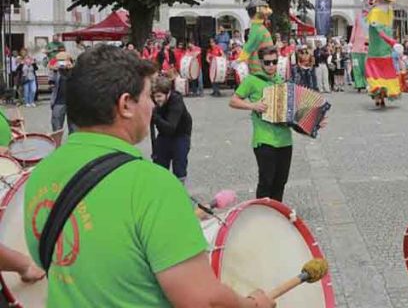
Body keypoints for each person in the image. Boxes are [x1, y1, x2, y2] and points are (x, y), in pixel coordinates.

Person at [24, 45, 274, 307]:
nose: (152, 106)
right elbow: (203, 301)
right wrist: (250, 304)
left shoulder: (41, 173)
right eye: (147, 97)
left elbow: (48, 263)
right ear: (125, 105)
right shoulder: (151, 185)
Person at [229, 46, 294, 201]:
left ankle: (276, 215)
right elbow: (233, 101)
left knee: (280, 182)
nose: (271, 66)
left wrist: (314, 121)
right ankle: (262, 216)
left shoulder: (281, 81)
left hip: (285, 140)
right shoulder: (252, 80)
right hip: (264, 139)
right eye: (267, 62)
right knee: (266, 182)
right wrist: (253, 105)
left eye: (274, 62)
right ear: (260, 63)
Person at [152, 77, 193, 184]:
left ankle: (179, 192)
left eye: (159, 96)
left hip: (180, 134)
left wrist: (154, 116)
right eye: (154, 96)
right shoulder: (154, 99)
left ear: (168, 93)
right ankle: (160, 193)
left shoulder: (176, 101)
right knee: (159, 167)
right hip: (163, 134)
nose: (156, 100)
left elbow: (170, 128)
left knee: (179, 168)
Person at [50, 56, 75, 134]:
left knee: (74, 129)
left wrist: (72, 69)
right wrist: (54, 70)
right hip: (58, 102)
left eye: (66, 62)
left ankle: (73, 145)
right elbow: (51, 83)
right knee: (57, 128)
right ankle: (57, 144)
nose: (64, 64)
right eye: (62, 62)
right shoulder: (56, 72)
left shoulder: (75, 72)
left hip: (73, 104)